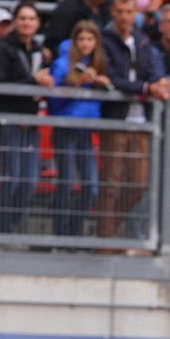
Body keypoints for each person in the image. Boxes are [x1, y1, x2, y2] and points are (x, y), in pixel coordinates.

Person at [98, 0, 170, 241]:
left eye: (129, 12)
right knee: (110, 182)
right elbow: (112, 78)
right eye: (120, 11)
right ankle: (105, 238)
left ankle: (108, 229)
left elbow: (154, 69)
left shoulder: (142, 41)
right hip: (116, 119)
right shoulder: (104, 40)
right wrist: (145, 88)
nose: (124, 17)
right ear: (112, 12)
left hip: (141, 121)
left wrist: (159, 83)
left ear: (136, 12)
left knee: (139, 184)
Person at [0, 1, 53, 234]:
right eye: (23, 18)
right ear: (15, 22)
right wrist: (33, 83)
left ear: (37, 23)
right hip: (6, 120)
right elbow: (0, 84)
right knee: (12, 177)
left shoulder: (37, 50)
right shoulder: (3, 48)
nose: (27, 23)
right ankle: (3, 228)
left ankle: (12, 224)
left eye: (31, 19)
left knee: (31, 180)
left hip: (29, 122)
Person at [48, 20, 110, 238]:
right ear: (75, 41)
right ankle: (59, 233)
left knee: (91, 186)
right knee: (65, 183)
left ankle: (73, 231)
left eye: (90, 39)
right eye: (81, 39)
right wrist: (76, 83)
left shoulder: (98, 64)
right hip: (66, 128)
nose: (85, 44)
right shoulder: (63, 64)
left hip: (86, 130)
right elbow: (53, 98)